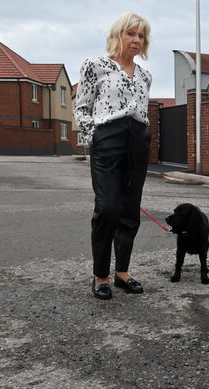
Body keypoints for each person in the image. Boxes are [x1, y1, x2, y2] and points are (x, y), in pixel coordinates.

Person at [74, 12, 152, 299]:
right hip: (108, 135)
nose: (136, 40)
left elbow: (142, 110)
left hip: (138, 138)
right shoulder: (96, 65)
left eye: (141, 35)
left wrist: (143, 136)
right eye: (130, 33)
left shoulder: (145, 74)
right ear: (117, 35)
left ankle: (122, 273)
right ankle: (100, 275)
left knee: (130, 209)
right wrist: (94, 136)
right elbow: (82, 107)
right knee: (107, 207)